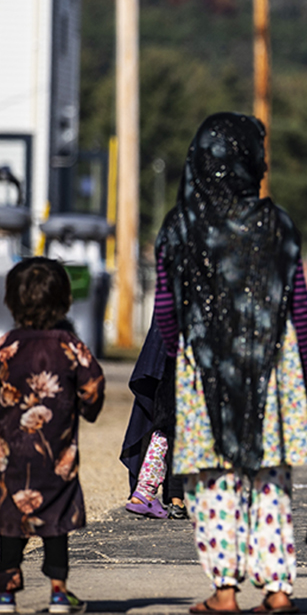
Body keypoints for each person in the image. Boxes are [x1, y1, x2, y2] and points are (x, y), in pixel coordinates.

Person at [154, 113, 307, 612]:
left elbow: (165, 310)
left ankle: (225, 591)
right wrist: (299, 374)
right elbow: (299, 307)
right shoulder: (278, 223)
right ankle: (279, 588)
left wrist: (180, 355)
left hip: (203, 366)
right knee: (271, 481)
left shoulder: (180, 226)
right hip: (273, 367)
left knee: (212, 482)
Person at [0, 257, 105, 614]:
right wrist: (86, 410)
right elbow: (92, 385)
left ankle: (5, 594)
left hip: (8, 458)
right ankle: (59, 593)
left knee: (9, 520)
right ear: (65, 301)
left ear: (11, 302)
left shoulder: (5, 347)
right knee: (55, 521)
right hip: (56, 455)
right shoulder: (69, 345)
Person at [120, 320, 186, 520]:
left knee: (166, 422)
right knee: (178, 421)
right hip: (186, 348)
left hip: (165, 348)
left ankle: (148, 489)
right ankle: (174, 497)